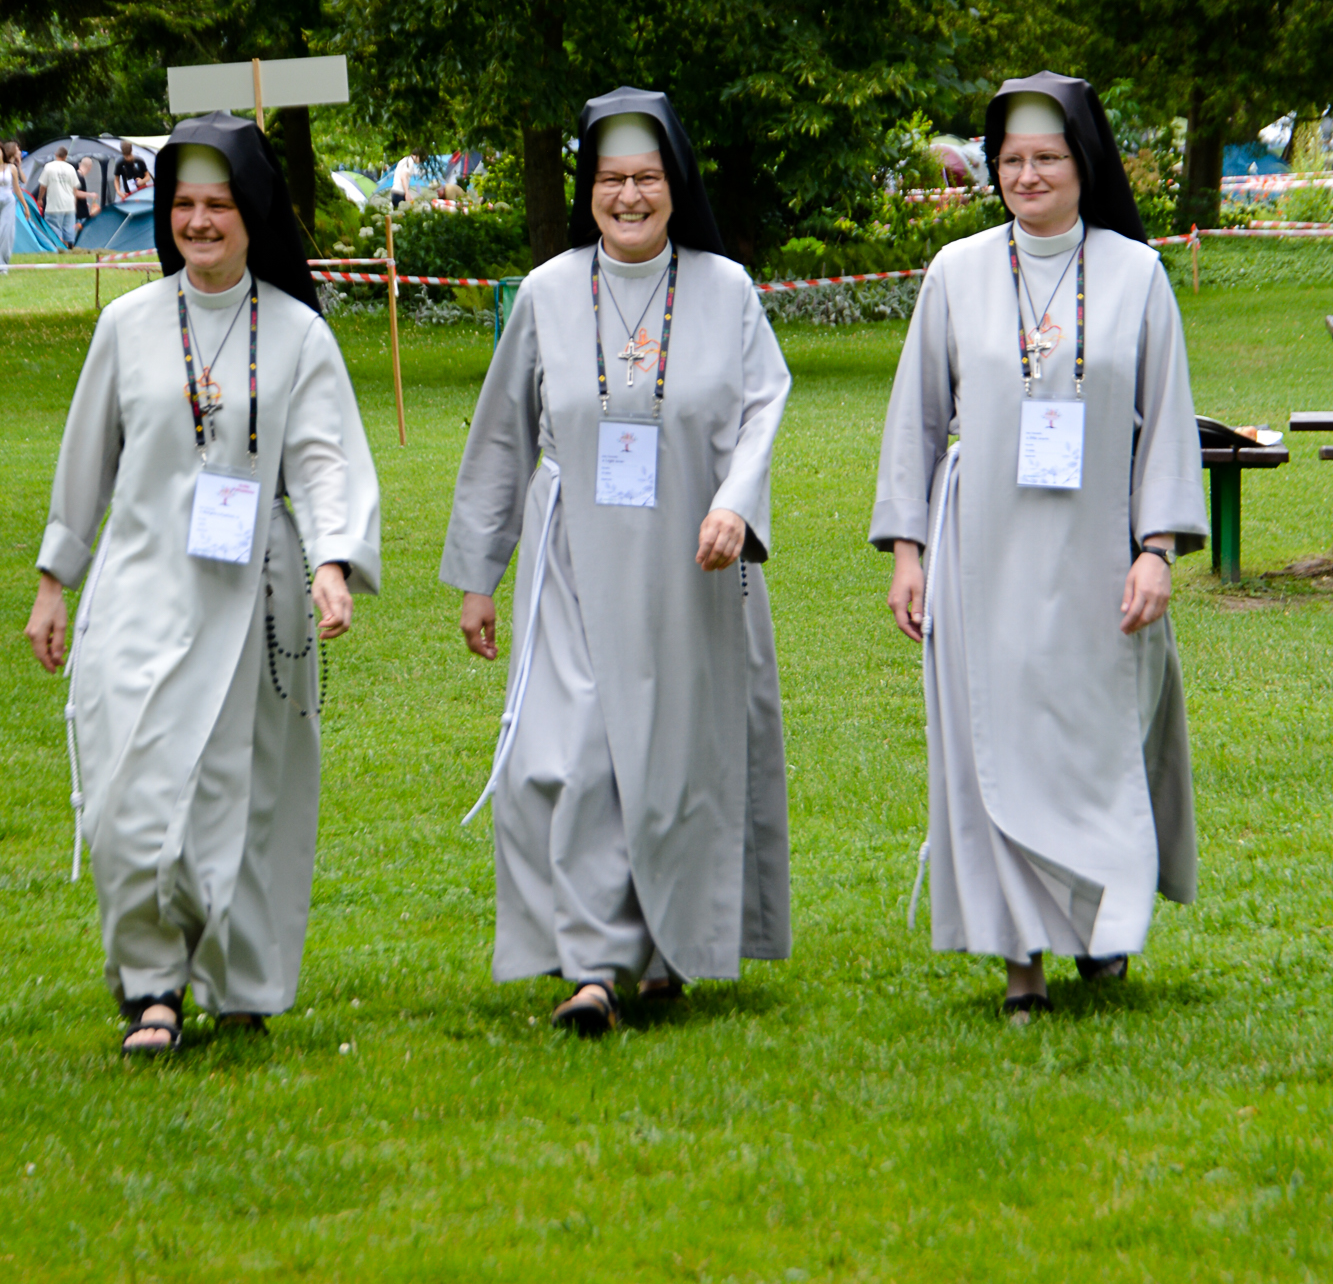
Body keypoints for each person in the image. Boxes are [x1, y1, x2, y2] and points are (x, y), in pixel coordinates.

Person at [24, 112, 381, 1056]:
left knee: (242, 794)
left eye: (218, 203)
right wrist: (55, 581)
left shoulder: (298, 333)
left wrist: (333, 561)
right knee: (126, 796)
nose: (199, 221)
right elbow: (86, 460)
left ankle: (235, 980)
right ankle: (151, 983)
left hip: (250, 596)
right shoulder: (127, 325)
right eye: (183, 203)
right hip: (139, 588)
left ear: (252, 212)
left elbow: (326, 460)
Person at [441, 87, 792, 1034]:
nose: (628, 196)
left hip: (692, 557)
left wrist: (735, 502)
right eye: (609, 179)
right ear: (586, 189)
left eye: (645, 178)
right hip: (574, 561)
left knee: (677, 757)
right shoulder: (547, 292)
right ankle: (593, 965)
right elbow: (501, 437)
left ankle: (666, 951)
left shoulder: (726, 289)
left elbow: (763, 404)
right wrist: (479, 574)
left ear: (675, 186)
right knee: (572, 754)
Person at [872, 71, 1208, 1021]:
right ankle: (1020, 960)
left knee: (1099, 737)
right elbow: (915, 420)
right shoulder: (956, 271)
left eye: (1047, 158)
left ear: (1083, 163)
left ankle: (1099, 919)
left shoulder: (1136, 274)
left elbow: (1165, 421)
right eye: (1010, 159)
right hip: (983, 552)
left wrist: (1155, 550)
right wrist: (907, 553)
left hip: (1100, 549)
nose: (1026, 176)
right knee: (996, 741)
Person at [38, 147, 81, 247]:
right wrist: (74, 204)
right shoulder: (71, 168)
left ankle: (58, 248)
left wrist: (40, 198)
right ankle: (68, 249)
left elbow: (43, 185)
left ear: (55, 154)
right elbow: (74, 189)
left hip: (54, 205)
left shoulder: (49, 167)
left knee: (54, 230)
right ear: (65, 157)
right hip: (69, 205)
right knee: (68, 231)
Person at [0, 140, 20, 273]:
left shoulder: (11, 168)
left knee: (6, 233)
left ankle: (3, 265)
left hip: (8, 202)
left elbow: (17, 189)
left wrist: (26, 206)